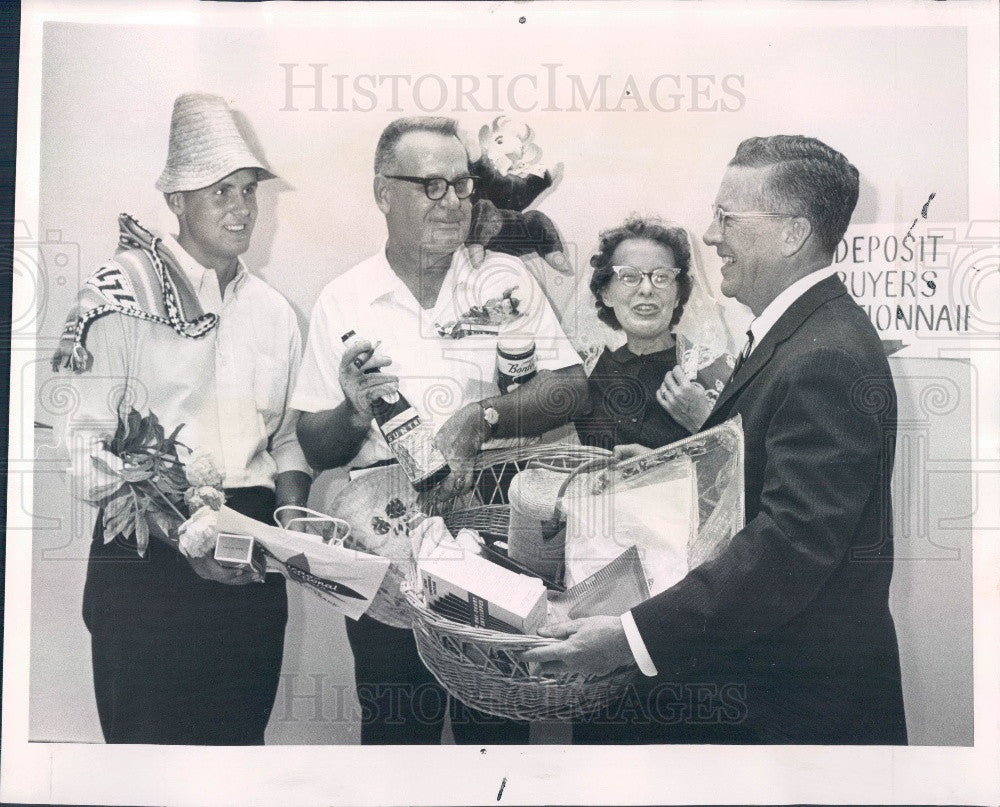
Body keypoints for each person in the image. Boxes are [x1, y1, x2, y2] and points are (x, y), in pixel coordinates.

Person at [523, 135, 908, 745]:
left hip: (797, 713)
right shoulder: (799, 332)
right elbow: (767, 485)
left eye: (727, 217)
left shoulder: (825, 353)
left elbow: (788, 550)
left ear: (792, 233)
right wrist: (669, 470)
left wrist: (630, 637)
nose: (709, 236)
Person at [292, 115, 588, 744]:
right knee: (397, 725)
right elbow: (317, 448)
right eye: (432, 186)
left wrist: (480, 419)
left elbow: (571, 387)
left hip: (493, 530)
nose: (453, 203)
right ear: (383, 193)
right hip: (387, 539)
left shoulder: (505, 280)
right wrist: (350, 411)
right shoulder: (342, 299)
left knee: (497, 725)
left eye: (461, 185)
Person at [60, 92, 311, 744]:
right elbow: (81, 446)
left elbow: (282, 439)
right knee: (145, 767)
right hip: (146, 560)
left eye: (248, 189)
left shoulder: (275, 314)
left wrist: (294, 526)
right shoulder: (122, 291)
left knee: (235, 762)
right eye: (219, 191)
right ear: (175, 200)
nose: (241, 208)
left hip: (247, 557)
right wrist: (181, 534)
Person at [573, 215, 714, 451]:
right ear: (606, 294)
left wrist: (705, 420)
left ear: (679, 293)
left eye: (662, 277)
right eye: (629, 277)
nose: (647, 289)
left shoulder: (709, 369)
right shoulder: (588, 372)